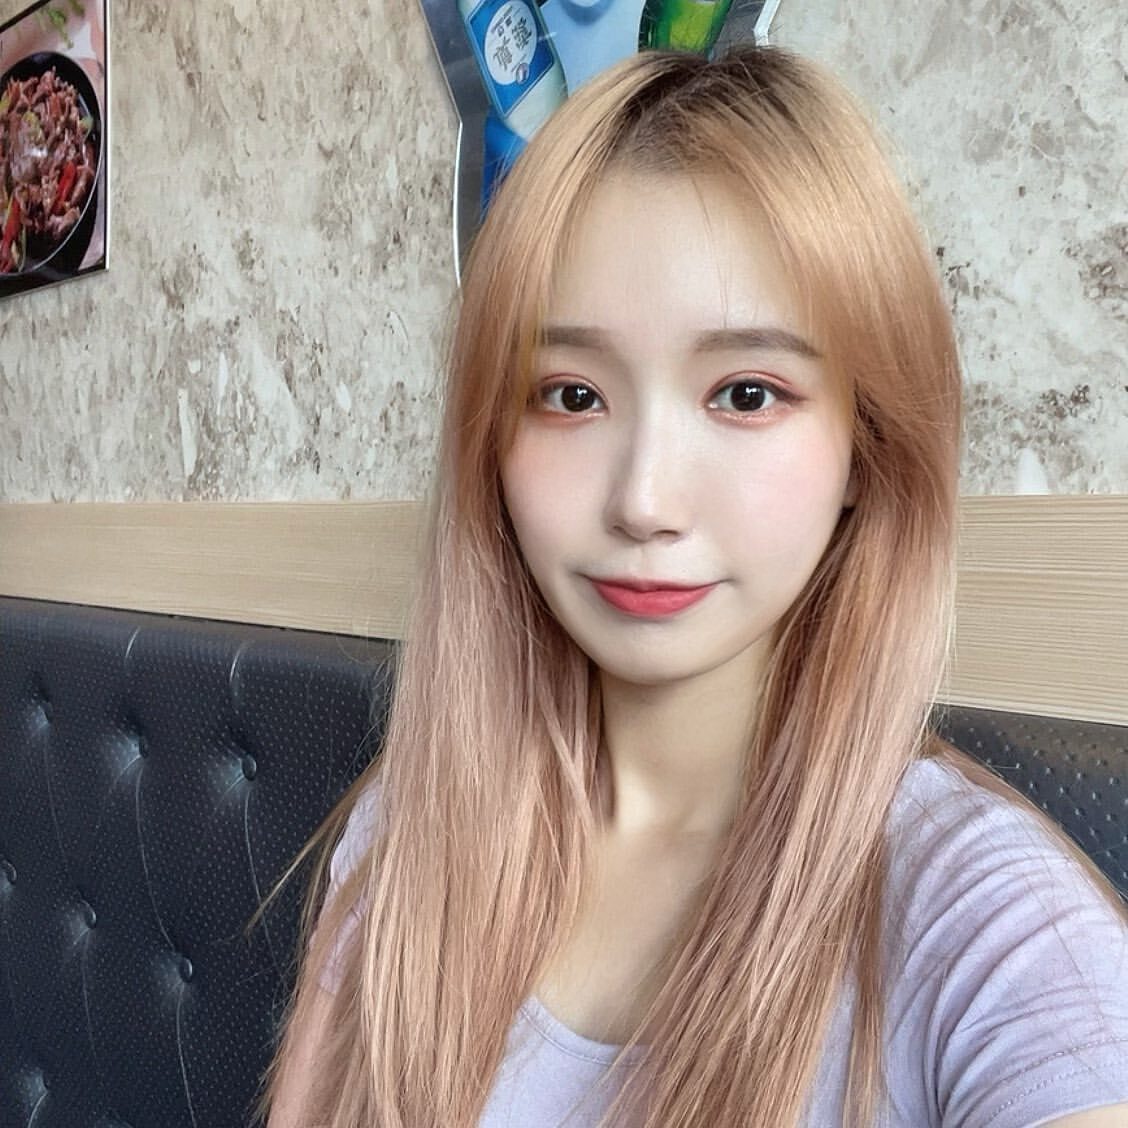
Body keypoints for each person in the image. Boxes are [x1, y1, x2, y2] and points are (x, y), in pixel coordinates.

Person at [261, 46, 1128, 1127]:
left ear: (865, 448)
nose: (644, 500)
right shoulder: (408, 825)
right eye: (571, 395)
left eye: (746, 393)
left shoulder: (989, 925)